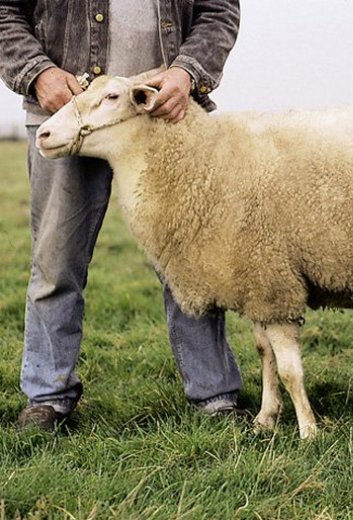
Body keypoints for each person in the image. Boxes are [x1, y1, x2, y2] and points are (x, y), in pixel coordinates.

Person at [0, 0, 244, 430]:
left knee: (189, 263)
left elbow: (218, 8)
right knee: (56, 262)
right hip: (66, 113)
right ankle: (48, 398)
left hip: (168, 116)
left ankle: (214, 396)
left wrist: (187, 71)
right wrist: (38, 71)